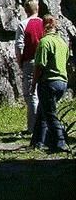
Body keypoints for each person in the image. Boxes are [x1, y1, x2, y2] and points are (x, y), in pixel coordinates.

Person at [30, 15, 70, 153]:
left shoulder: (45, 42)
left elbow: (40, 65)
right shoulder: (63, 43)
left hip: (49, 82)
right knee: (43, 111)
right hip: (62, 82)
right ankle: (38, 141)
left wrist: (34, 83)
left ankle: (60, 142)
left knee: (50, 113)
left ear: (43, 27)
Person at [15, 0, 44, 134]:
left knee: (31, 94)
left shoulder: (23, 24)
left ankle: (32, 127)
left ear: (26, 10)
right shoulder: (44, 23)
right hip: (43, 61)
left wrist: (20, 61)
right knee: (42, 92)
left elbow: (19, 45)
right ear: (37, 9)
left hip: (30, 61)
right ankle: (43, 125)